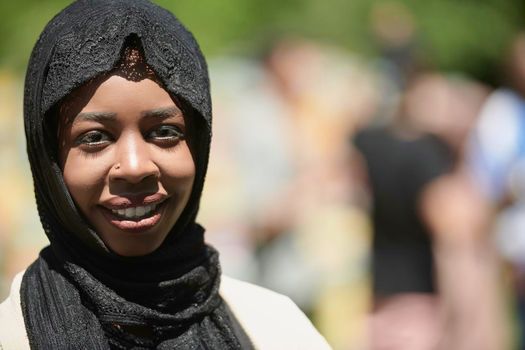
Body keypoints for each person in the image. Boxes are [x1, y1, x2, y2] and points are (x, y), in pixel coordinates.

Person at [0, 1, 330, 349]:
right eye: (95, 137)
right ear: (49, 158)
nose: (135, 166)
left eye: (164, 132)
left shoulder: (274, 328)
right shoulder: (13, 335)